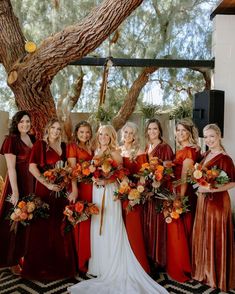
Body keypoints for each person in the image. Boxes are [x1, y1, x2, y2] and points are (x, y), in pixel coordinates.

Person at [68, 124, 168, 294]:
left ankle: (111, 265)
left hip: (110, 193)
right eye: (100, 134)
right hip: (96, 193)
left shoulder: (115, 152)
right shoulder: (95, 151)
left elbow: (119, 175)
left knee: (110, 226)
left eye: (106, 135)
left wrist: (105, 181)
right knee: (96, 227)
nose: (103, 137)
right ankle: (98, 266)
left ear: (112, 137)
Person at [21, 118, 76, 281]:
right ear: (48, 129)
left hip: (61, 193)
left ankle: (60, 266)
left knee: (59, 227)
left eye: (59, 129)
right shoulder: (40, 145)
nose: (56, 131)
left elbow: (68, 170)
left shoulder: (64, 147)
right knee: (42, 227)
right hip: (45, 191)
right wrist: (47, 184)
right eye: (53, 128)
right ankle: (40, 267)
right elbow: (32, 168)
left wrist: (65, 184)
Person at [192, 124, 235, 292]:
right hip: (204, 201)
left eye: (212, 136)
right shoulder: (206, 154)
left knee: (215, 236)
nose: (209, 140)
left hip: (217, 203)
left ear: (219, 136)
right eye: (206, 137)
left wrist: (210, 188)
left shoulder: (225, 158)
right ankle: (204, 272)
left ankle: (216, 276)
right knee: (204, 234)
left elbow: (232, 182)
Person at [0, 110, 35, 275]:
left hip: (31, 183)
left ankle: (23, 256)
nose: (25, 124)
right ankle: (10, 260)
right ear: (16, 122)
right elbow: (11, 168)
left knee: (27, 220)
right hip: (17, 184)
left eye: (27, 121)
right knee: (13, 222)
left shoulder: (32, 138)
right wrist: (15, 192)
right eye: (22, 121)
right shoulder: (11, 140)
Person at [166, 118, 200, 282]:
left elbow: (185, 177)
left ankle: (182, 267)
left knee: (180, 231)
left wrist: (178, 197)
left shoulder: (188, 151)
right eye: (178, 130)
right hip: (178, 191)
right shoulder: (184, 149)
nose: (180, 133)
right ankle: (179, 264)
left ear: (190, 133)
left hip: (182, 194)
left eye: (184, 131)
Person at [143, 118, 174, 269]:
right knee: (147, 224)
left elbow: (168, 171)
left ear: (160, 130)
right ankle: (148, 257)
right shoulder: (146, 147)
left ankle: (159, 260)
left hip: (159, 192)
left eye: (155, 129)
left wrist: (157, 185)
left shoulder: (165, 147)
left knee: (158, 224)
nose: (152, 132)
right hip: (146, 191)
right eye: (149, 129)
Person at [120, 122, 149, 273]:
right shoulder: (118, 150)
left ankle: (138, 266)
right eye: (126, 132)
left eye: (131, 133)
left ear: (135, 135)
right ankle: (121, 264)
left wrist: (136, 194)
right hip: (119, 196)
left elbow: (143, 176)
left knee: (133, 229)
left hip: (134, 196)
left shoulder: (139, 151)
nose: (128, 136)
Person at [67, 121, 93, 275]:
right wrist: (75, 189)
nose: (85, 135)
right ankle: (80, 261)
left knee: (91, 223)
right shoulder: (72, 146)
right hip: (80, 189)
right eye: (82, 132)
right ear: (77, 133)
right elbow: (72, 170)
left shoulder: (92, 146)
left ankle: (91, 258)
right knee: (81, 222)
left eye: (87, 132)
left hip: (92, 188)